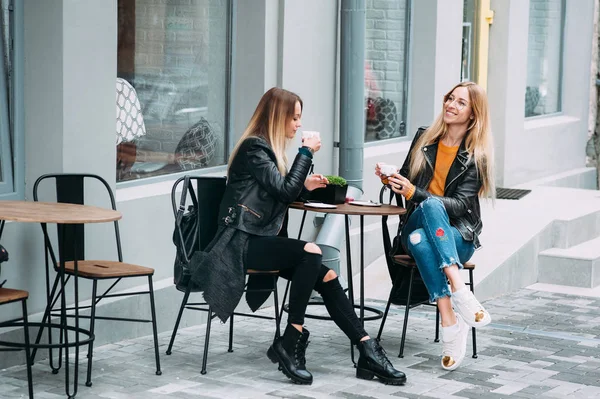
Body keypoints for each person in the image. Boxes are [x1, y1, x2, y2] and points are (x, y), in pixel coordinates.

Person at [190, 87, 406, 386]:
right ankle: (291, 338)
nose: (298, 125)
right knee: (311, 252)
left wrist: (306, 186)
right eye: (294, 118)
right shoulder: (254, 149)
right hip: (238, 243)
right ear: (278, 117)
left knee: (326, 275)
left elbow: (281, 193)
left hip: (258, 239)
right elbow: (284, 191)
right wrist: (305, 153)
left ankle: (367, 349)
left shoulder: (266, 151)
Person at [375, 81, 495, 371]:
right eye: (450, 99)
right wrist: (392, 182)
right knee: (427, 209)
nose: (451, 105)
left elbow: (460, 206)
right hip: (418, 217)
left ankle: (450, 322)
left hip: (459, 237)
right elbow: (406, 184)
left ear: (473, 114)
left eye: (460, 103)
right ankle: (460, 291)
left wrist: (415, 193)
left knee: (419, 239)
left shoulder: (474, 157)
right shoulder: (424, 139)